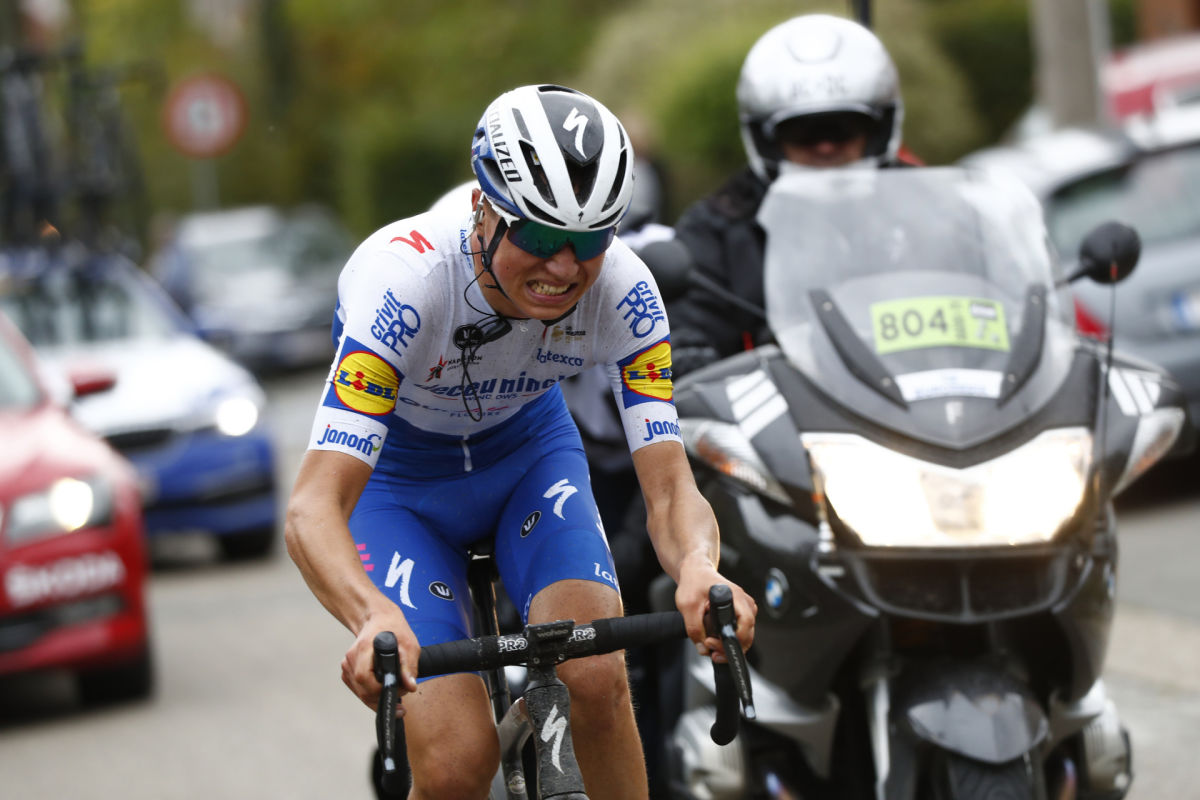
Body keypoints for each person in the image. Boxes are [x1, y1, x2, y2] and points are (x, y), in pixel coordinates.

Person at [284, 83, 757, 800]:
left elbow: (669, 488)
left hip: (527, 455)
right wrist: (369, 614)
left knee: (596, 677)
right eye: (537, 236)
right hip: (400, 485)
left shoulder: (626, 292)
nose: (564, 268)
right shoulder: (405, 283)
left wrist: (699, 567)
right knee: (456, 763)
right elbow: (312, 507)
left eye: (590, 240)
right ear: (483, 208)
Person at [669, 13, 917, 376]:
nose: (825, 146)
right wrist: (689, 354)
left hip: (932, 397)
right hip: (780, 409)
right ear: (766, 137)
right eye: (802, 131)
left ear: (878, 128)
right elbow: (687, 327)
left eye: (844, 127)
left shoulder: (930, 210)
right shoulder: (716, 231)